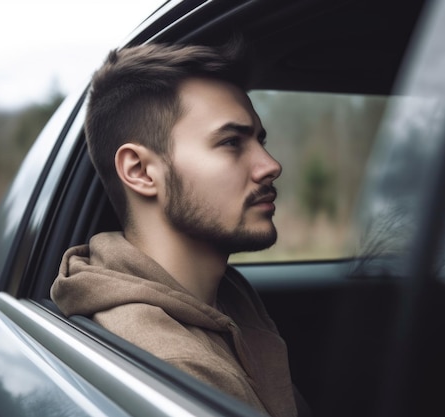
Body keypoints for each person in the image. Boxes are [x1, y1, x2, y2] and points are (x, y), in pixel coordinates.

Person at [51, 40, 304, 417]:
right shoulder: (177, 370)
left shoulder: (227, 300)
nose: (270, 165)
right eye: (231, 142)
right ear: (140, 171)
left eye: (259, 140)